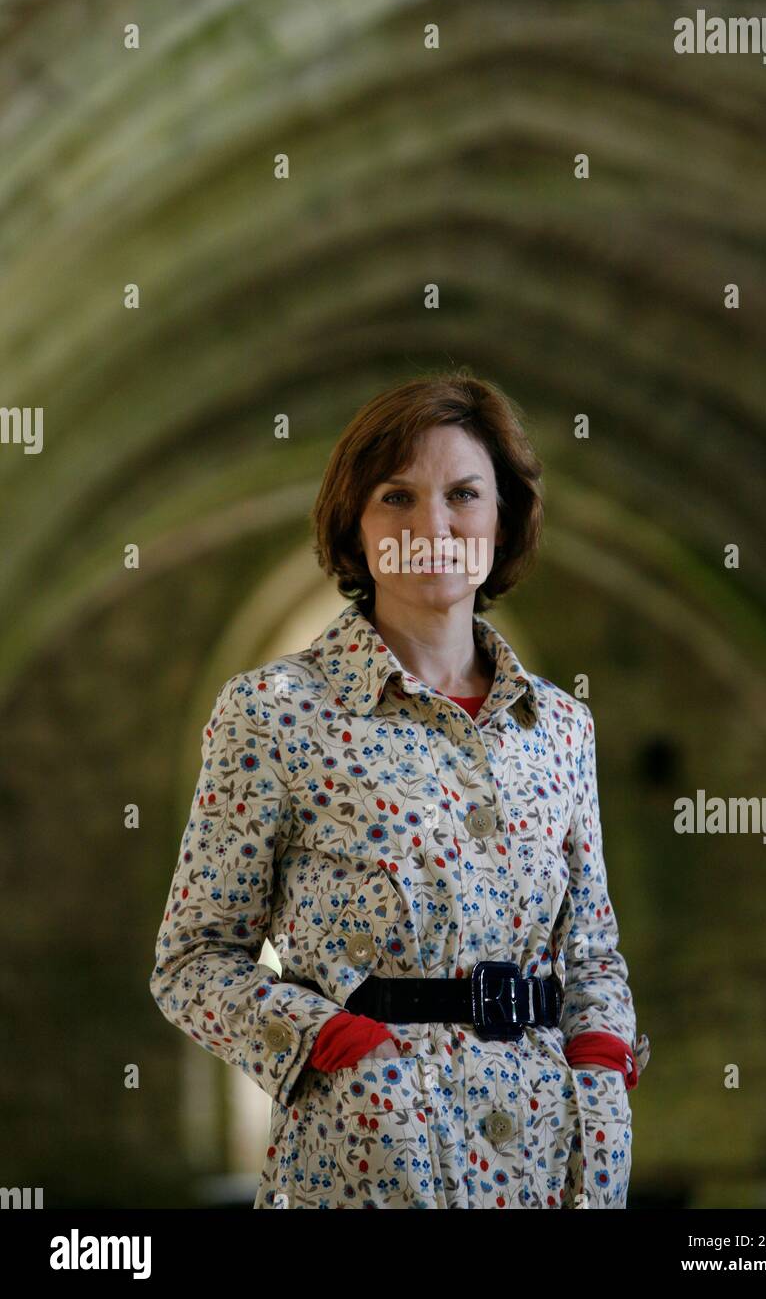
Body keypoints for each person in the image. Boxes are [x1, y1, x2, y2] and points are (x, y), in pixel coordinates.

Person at [150, 369, 650, 1209]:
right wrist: (338, 1048)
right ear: (357, 521)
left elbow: (593, 953)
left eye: (463, 494)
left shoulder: (560, 728)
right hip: (370, 1160)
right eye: (397, 496)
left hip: (553, 1160)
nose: (434, 525)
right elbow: (193, 962)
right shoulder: (274, 715)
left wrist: (600, 1068)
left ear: (503, 518)